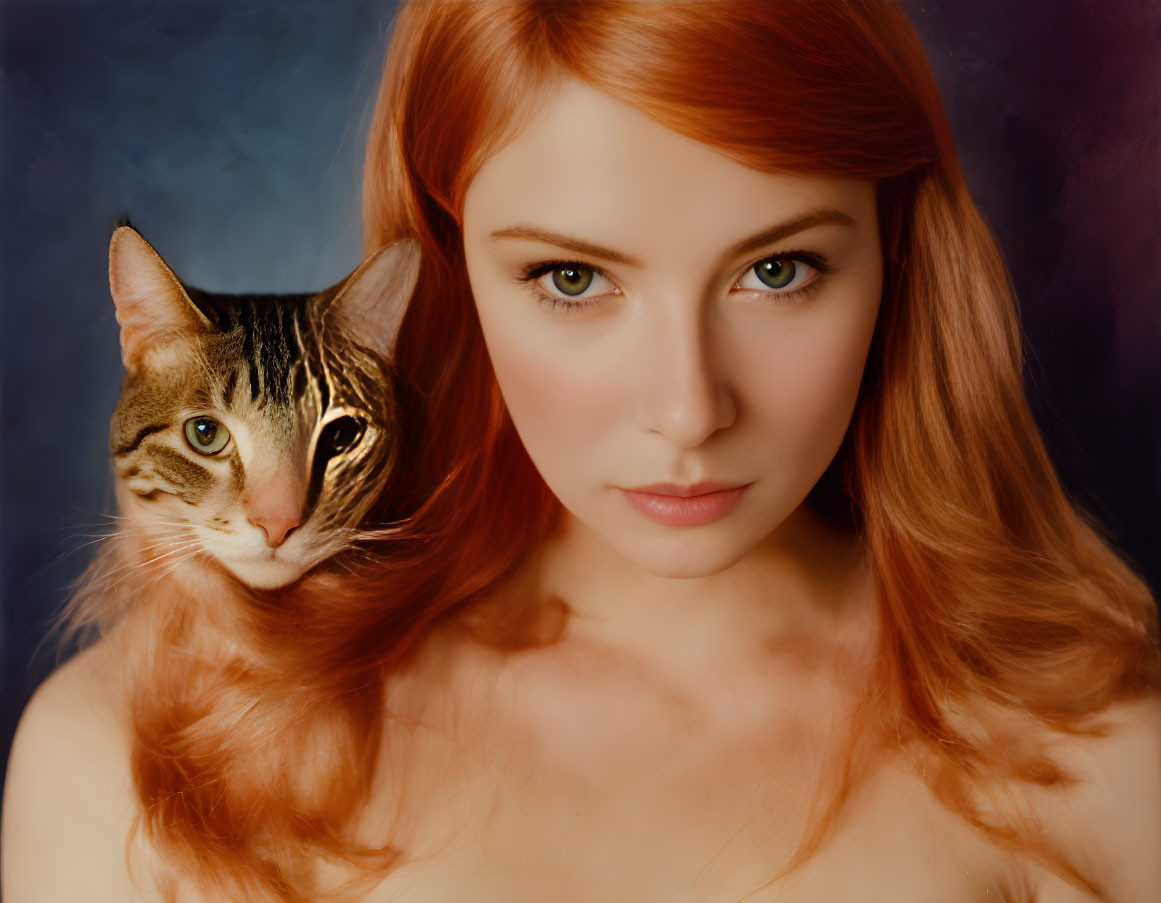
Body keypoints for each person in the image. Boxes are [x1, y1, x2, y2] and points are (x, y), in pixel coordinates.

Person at [4, 1, 1160, 901]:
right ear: (448, 283)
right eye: (572, 278)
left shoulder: (1105, 766)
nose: (687, 409)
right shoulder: (137, 762)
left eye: (777, 270)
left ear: (897, 257)